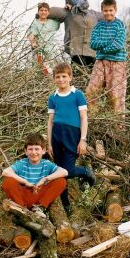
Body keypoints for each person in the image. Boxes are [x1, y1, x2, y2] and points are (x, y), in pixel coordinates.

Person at [47, 62, 95, 213]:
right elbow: (50, 122)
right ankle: (65, 203)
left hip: (72, 134)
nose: (61, 79)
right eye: (58, 77)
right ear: (54, 79)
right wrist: (49, 143)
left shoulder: (78, 95)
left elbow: (84, 118)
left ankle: (85, 172)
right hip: (56, 135)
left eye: (64, 76)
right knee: (59, 173)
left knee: (67, 170)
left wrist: (83, 140)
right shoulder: (53, 97)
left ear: (70, 77)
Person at [2, 133, 68, 213]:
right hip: (23, 195)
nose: (33, 152)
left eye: (37, 149)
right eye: (30, 149)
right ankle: (21, 208)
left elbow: (64, 172)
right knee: (8, 182)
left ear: (43, 151)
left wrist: (45, 179)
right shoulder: (22, 163)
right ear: (25, 151)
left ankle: (40, 208)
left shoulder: (46, 164)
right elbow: (6, 172)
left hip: (38, 195)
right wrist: (25, 182)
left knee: (61, 181)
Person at [86, 0, 128, 117]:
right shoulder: (98, 26)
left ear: (115, 10)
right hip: (100, 61)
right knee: (91, 90)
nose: (108, 13)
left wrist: (103, 47)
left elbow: (118, 45)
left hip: (117, 62)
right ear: (102, 11)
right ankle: (93, 117)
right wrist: (109, 42)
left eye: (111, 10)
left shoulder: (120, 25)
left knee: (115, 94)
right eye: (105, 10)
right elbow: (93, 44)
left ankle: (118, 124)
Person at [46, 0, 103, 78]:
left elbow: (110, 16)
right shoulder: (68, 13)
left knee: (94, 81)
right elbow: (48, 11)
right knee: (77, 80)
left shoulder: (93, 14)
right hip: (76, 53)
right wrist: (65, 8)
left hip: (92, 53)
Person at [27, 2, 60, 76]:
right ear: (38, 12)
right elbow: (31, 35)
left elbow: (62, 18)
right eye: (41, 10)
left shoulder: (53, 22)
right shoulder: (35, 24)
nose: (43, 12)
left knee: (54, 72)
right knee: (43, 72)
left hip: (52, 52)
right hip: (41, 52)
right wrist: (33, 43)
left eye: (45, 10)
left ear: (48, 12)